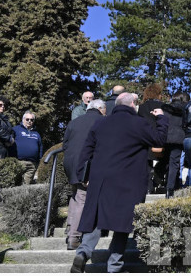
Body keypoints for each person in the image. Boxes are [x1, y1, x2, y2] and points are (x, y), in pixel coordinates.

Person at [70, 93, 168, 273]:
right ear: (132, 104)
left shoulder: (100, 123)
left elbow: (86, 150)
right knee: (122, 224)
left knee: (96, 218)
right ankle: (114, 265)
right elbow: (159, 140)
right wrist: (161, 118)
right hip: (128, 181)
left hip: (101, 179)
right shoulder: (138, 123)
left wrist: (83, 175)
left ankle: (83, 252)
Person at [63, 99, 106, 250]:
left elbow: (65, 144)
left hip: (69, 163)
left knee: (76, 196)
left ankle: (69, 229)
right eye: (105, 109)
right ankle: (74, 237)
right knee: (82, 198)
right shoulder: (102, 121)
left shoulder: (75, 121)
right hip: (87, 164)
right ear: (101, 109)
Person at [138, 83, 166, 193]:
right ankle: (158, 179)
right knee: (165, 159)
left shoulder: (142, 107)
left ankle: (148, 187)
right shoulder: (162, 106)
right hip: (159, 136)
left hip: (145, 137)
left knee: (147, 164)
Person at [161, 91, 189, 198]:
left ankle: (168, 184)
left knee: (167, 162)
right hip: (179, 138)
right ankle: (171, 189)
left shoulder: (166, 109)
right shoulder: (186, 110)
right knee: (175, 163)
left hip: (166, 137)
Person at [8, 111, 43, 184]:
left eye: (32, 120)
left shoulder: (36, 133)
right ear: (23, 119)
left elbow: (40, 147)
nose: (29, 121)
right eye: (27, 119)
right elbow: (9, 142)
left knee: (25, 187)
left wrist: (39, 161)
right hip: (18, 162)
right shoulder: (15, 130)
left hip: (32, 164)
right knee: (14, 184)